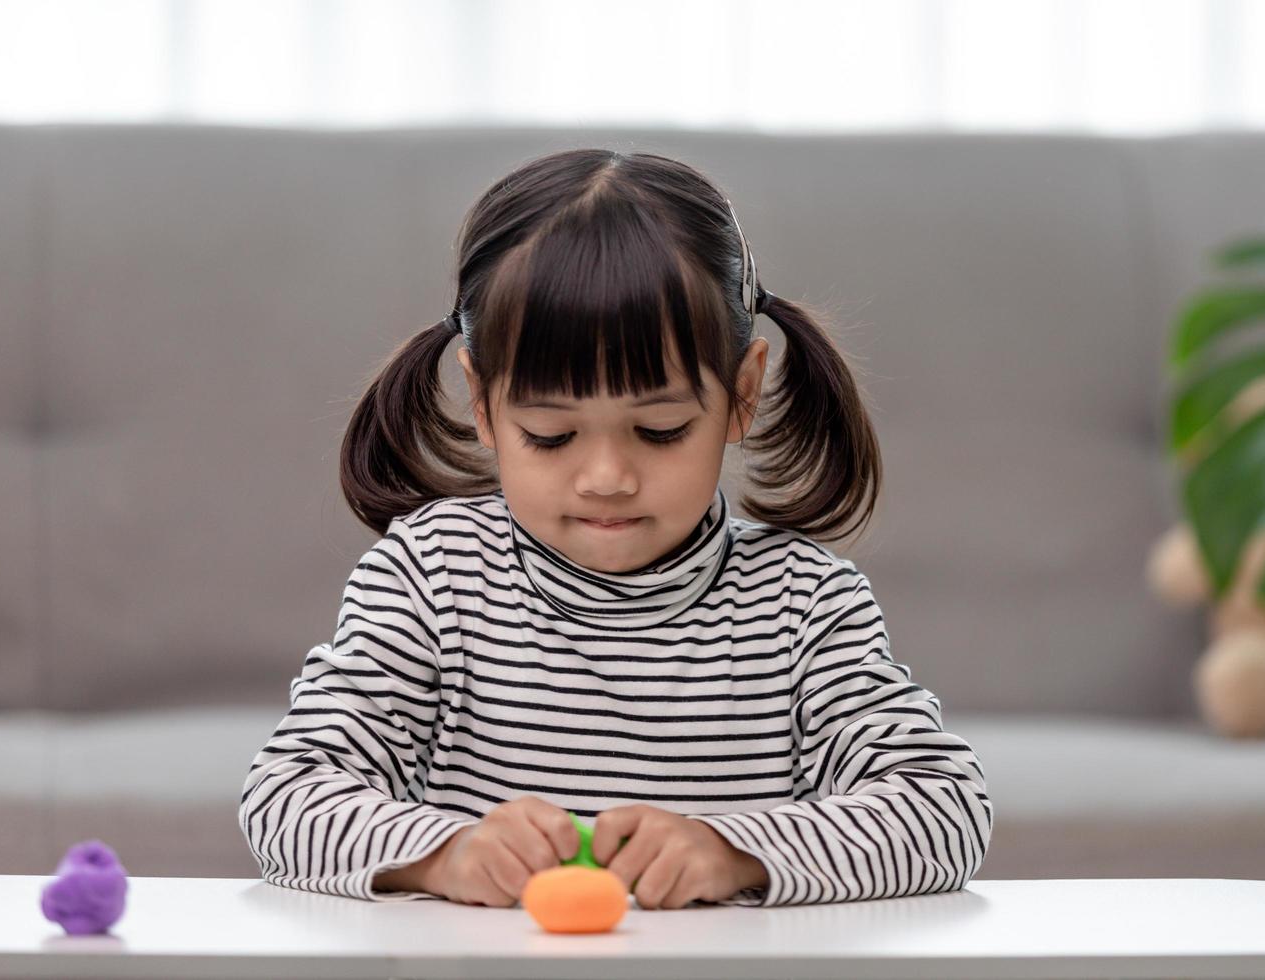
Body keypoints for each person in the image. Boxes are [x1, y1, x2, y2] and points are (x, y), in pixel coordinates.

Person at [238, 148, 992, 909]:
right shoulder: (430, 579)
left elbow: (945, 809)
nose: (607, 477)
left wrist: (737, 852)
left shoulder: (804, 606)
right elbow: (285, 796)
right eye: (551, 434)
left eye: (660, 429)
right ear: (482, 401)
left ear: (744, 394)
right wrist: (442, 855)